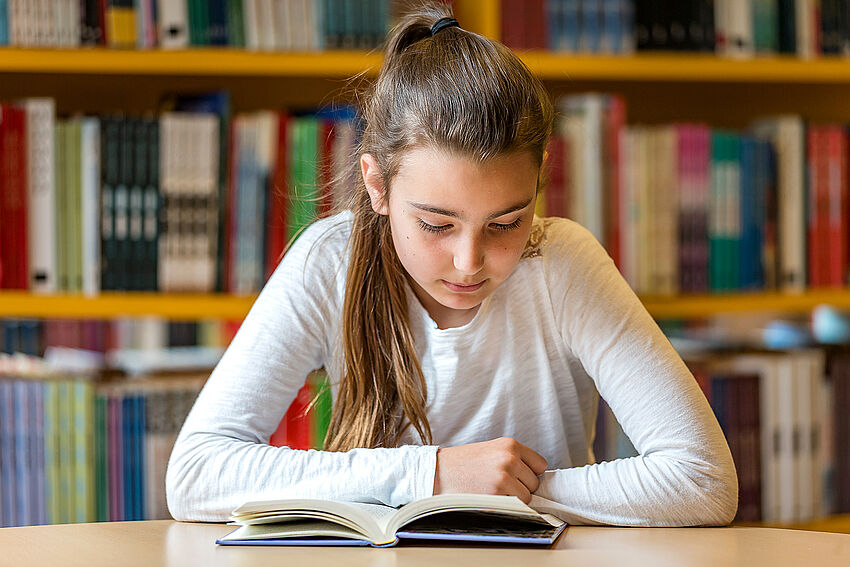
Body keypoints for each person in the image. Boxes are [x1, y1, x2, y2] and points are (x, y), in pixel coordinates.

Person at [166, 3, 738, 527]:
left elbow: (704, 480)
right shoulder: (329, 259)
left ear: (539, 178)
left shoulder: (562, 262)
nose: (469, 263)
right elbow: (195, 474)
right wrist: (431, 476)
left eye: (506, 222)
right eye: (437, 225)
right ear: (376, 185)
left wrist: (492, 495)